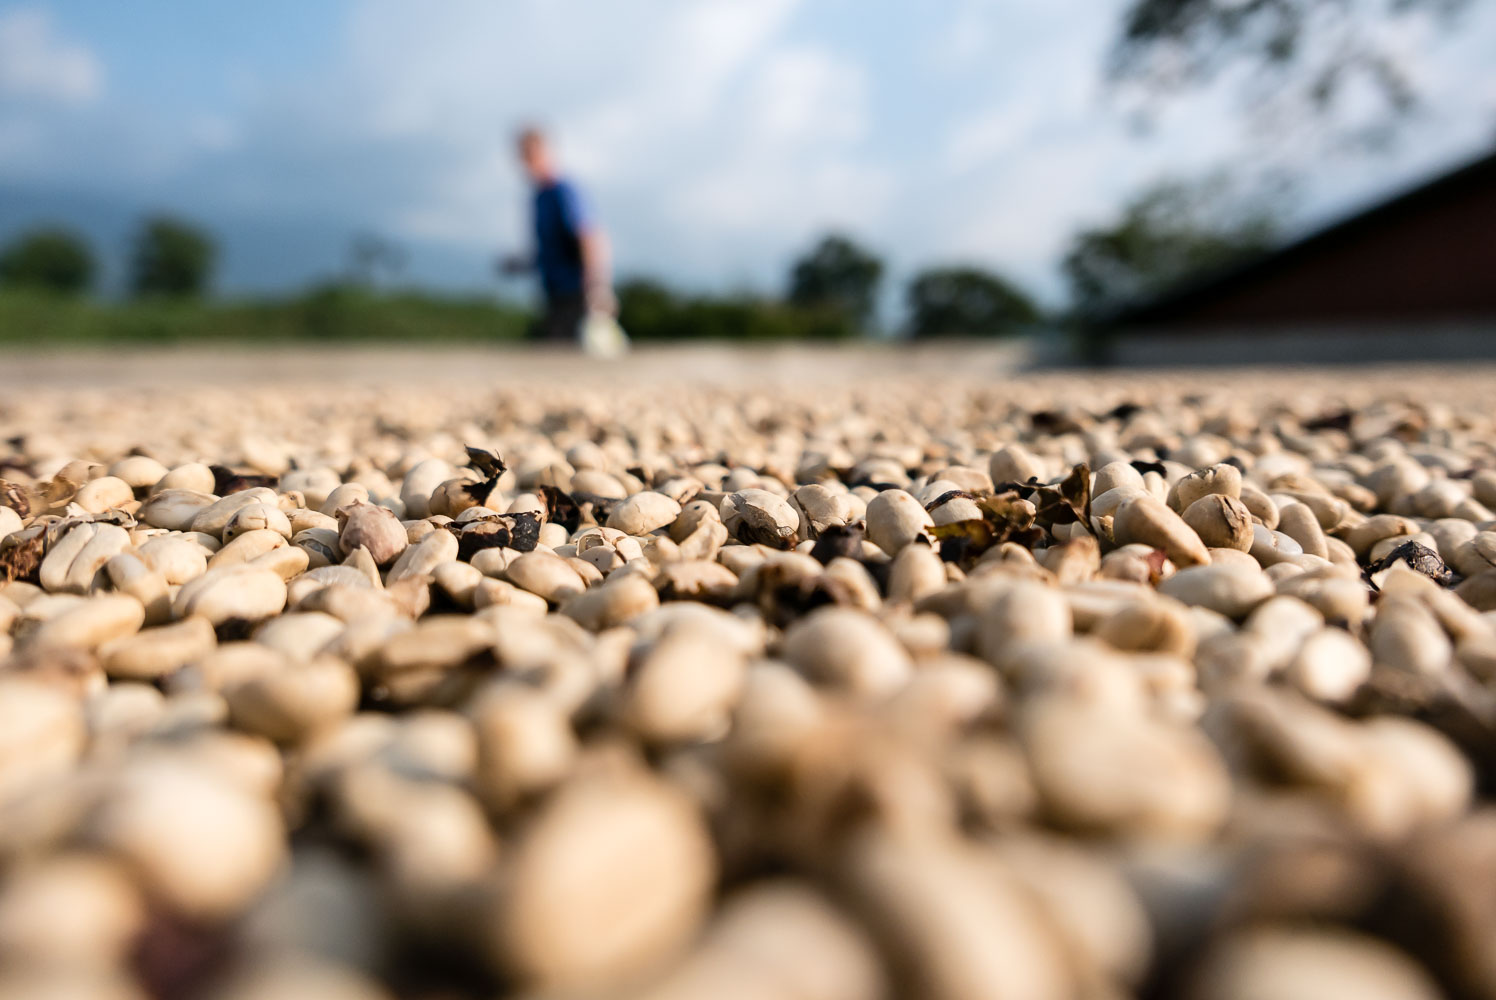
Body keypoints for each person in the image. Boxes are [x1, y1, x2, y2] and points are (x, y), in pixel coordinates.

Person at [505, 127, 614, 344]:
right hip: (552, 294)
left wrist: (598, 285)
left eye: (533, 155)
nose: (529, 162)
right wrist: (522, 265)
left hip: (576, 293)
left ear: (547, 152)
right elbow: (549, 251)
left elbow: (589, 236)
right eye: (524, 156)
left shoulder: (564, 191)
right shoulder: (538, 197)